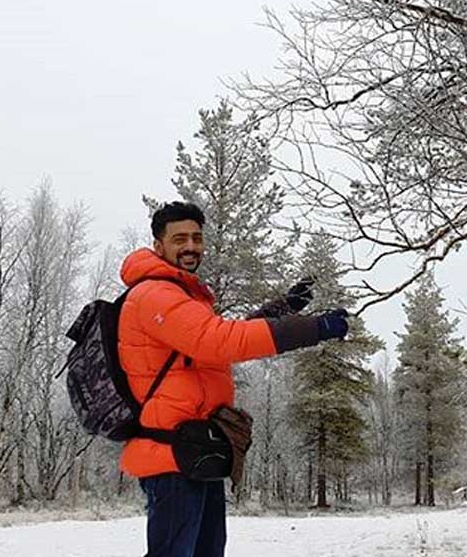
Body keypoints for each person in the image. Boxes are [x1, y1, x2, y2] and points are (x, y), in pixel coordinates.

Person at [117, 201, 349, 557]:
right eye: (180, 239)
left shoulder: (182, 296)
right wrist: (313, 328)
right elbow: (219, 341)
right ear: (158, 245)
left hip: (196, 450)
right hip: (171, 455)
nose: (191, 246)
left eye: (196, 237)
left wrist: (284, 308)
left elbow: (212, 341)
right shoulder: (155, 293)